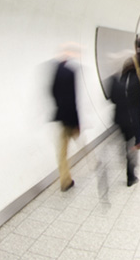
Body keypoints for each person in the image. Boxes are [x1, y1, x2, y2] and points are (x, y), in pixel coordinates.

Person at [51, 45, 80, 192]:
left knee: (62, 152)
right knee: (80, 143)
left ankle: (65, 181)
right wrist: (76, 122)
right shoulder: (71, 72)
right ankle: (95, 164)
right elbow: (73, 99)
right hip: (70, 118)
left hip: (61, 117)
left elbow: (52, 92)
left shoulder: (54, 70)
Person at [110, 58, 140, 186]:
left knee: (126, 142)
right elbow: (139, 105)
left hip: (120, 119)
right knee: (131, 146)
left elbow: (113, 99)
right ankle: (131, 176)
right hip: (132, 118)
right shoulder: (137, 81)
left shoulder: (119, 80)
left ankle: (125, 156)